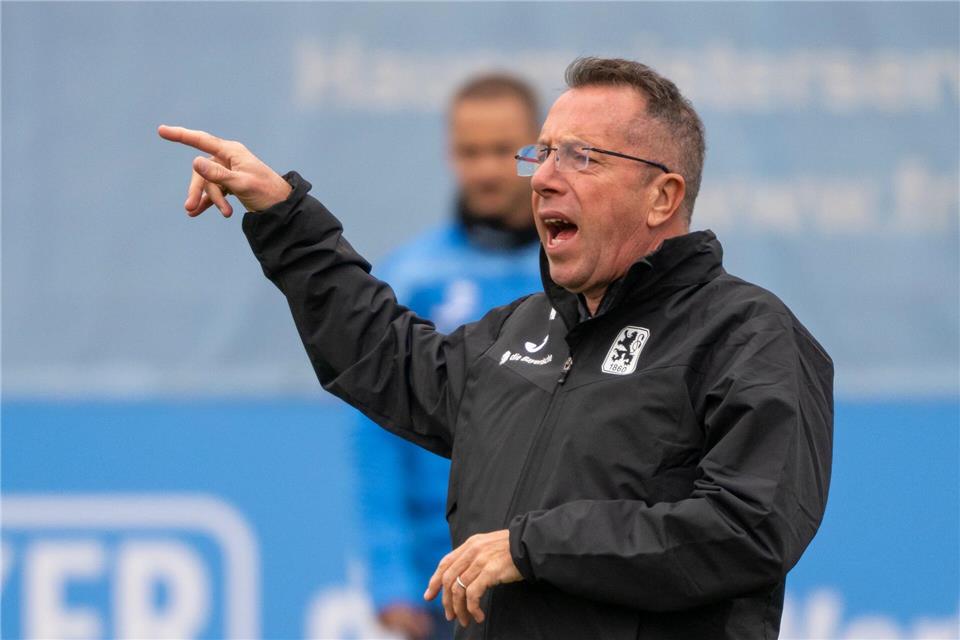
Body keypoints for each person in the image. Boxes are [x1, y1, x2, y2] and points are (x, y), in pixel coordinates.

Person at [159, 56, 834, 640]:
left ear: (663, 195)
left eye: (583, 157)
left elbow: (748, 528)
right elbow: (386, 358)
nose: (541, 179)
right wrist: (283, 214)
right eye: (542, 155)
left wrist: (533, 546)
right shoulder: (523, 330)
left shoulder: (744, 334)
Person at [353, 74, 542, 640]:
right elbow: (376, 437)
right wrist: (390, 576)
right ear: (448, 152)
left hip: (548, 563)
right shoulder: (410, 278)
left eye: (501, 151)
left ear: (537, 149)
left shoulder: (577, 271)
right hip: (442, 578)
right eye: (469, 151)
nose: (485, 168)